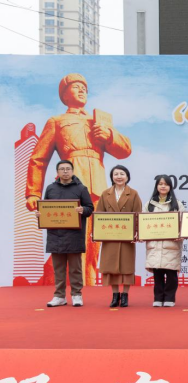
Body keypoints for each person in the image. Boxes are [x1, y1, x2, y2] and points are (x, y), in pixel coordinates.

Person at [25, 73, 132, 286]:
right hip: (70, 187)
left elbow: (125, 150)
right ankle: (66, 285)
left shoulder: (98, 122)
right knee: (71, 239)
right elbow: (39, 159)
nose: (82, 90)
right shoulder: (57, 122)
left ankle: (88, 285)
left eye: (84, 87)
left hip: (98, 187)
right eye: (76, 86)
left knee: (94, 242)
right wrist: (33, 192)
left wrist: (109, 136)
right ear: (65, 95)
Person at [41, 160, 94, 307]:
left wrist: (83, 209)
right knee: (58, 269)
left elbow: (90, 208)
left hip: (74, 235)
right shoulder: (50, 188)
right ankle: (59, 296)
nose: (65, 171)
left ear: (72, 171)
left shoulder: (81, 188)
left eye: (68, 169)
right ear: (57, 172)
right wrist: (41, 214)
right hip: (55, 235)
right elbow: (45, 207)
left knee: (75, 268)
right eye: (62, 169)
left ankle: (77, 294)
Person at [95, 165, 142, 308]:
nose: (119, 177)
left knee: (127, 266)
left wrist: (136, 232)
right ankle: (115, 295)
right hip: (110, 237)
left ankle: (125, 295)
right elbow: (99, 215)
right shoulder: (105, 194)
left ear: (127, 177)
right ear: (112, 177)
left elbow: (138, 215)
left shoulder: (133, 193)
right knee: (111, 266)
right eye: (116, 174)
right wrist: (98, 232)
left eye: (122, 174)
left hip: (127, 237)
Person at [144, 175, 184, 307]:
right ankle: (158, 298)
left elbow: (183, 223)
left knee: (171, 274)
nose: (163, 186)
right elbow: (142, 223)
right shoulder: (149, 204)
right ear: (156, 186)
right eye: (160, 184)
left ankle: (170, 298)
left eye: (166, 184)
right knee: (158, 274)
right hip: (155, 244)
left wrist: (180, 234)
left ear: (170, 187)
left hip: (171, 244)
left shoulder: (177, 204)